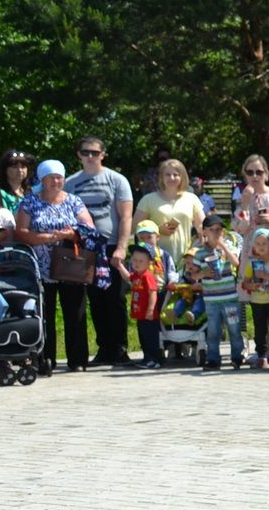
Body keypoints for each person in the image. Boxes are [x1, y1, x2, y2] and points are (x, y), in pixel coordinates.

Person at [16, 160, 95, 374]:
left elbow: (89, 227)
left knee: (75, 312)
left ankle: (78, 359)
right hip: (42, 266)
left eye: (59, 177)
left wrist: (71, 233)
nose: (55, 181)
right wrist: (48, 237)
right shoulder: (30, 201)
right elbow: (21, 231)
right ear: (42, 179)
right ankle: (45, 359)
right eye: (51, 178)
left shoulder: (73, 201)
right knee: (45, 313)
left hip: (71, 266)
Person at [67, 136, 135, 366]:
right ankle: (104, 348)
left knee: (116, 299)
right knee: (95, 300)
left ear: (103, 154)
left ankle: (120, 348)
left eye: (95, 152)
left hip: (112, 245)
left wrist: (123, 247)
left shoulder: (117, 180)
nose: (90, 156)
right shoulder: (70, 183)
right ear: (79, 154)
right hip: (86, 249)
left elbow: (126, 216)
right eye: (85, 152)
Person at [195, 215, 244, 370]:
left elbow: (236, 263)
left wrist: (223, 246)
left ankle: (237, 356)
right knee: (213, 331)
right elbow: (193, 275)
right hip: (211, 300)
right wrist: (203, 275)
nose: (216, 233)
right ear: (204, 232)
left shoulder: (228, 246)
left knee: (234, 329)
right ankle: (213, 358)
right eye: (212, 230)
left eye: (219, 230)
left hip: (230, 298)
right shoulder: (200, 253)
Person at [238, 228, 269, 370]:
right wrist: (251, 285)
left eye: (264, 243)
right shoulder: (252, 263)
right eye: (258, 244)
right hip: (257, 302)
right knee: (260, 331)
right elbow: (245, 283)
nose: (261, 247)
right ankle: (262, 355)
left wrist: (266, 276)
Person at [126, 243, 162, 369]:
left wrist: (151, 309)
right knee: (143, 337)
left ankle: (154, 359)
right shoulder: (136, 275)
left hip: (148, 314)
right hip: (140, 314)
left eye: (141, 261)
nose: (137, 263)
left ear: (149, 263)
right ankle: (147, 358)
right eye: (134, 260)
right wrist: (119, 266)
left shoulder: (147, 276)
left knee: (151, 337)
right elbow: (127, 277)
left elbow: (153, 293)